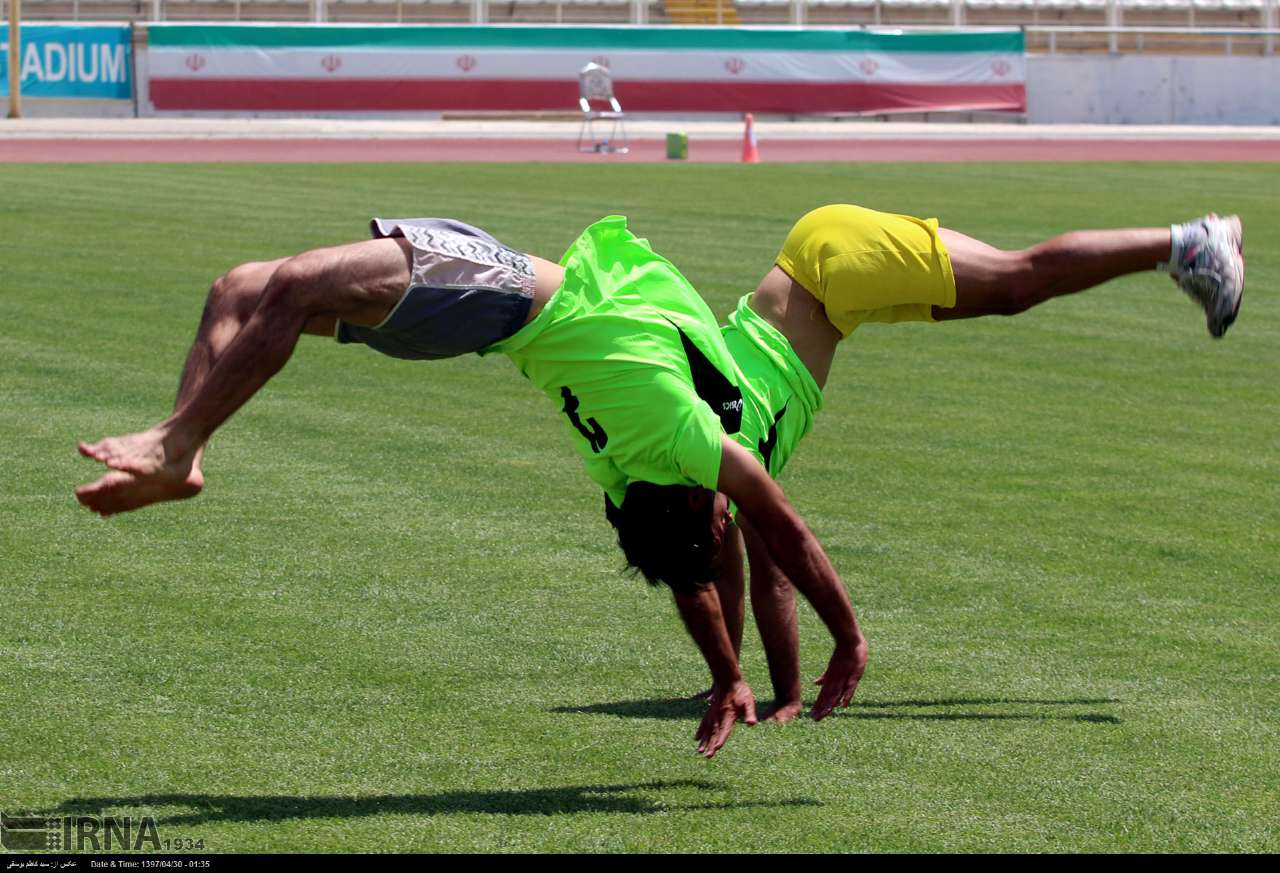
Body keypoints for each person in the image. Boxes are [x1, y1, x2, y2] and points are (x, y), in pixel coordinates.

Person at [75, 207, 1244, 757]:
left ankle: (1184, 240)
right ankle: (1180, 243)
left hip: (798, 272)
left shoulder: (675, 454)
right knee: (1016, 284)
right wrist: (759, 678)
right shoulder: (661, 464)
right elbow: (747, 550)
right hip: (802, 280)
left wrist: (792, 668)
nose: (716, 548)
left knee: (1020, 282)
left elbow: (760, 550)